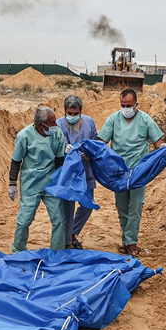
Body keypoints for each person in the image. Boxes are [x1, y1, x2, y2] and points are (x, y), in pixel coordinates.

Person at [99, 88, 164, 256]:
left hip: (138, 171)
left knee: (136, 206)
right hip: (119, 172)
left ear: (136, 104)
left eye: (129, 105)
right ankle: (126, 240)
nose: (126, 109)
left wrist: (164, 148)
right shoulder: (113, 119)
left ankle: (132, 242)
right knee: (122, 207)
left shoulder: (145, 120)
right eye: (123, 105)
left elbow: (158, 142)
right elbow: (101, 142)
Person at [9, 106, 67, 252]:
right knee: (24, 220)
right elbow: (16, 161)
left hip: (51, 181)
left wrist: (60, 183)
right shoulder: (24, 136)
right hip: (31, 182)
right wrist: (12, 183)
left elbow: (60, 160)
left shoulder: (57, 134)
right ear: (42, 125)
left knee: (59, 219)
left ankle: (57, 252)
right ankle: (18, 250)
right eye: (52, 122)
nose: (56, 125)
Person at [59, 95, 99, 249]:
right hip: (69, 173)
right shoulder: (59, 124)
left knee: (87, 204)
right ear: (65, 112)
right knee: (68, 207)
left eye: (76, 114)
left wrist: (88, 152)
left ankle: (73, 232)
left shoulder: (89, 122)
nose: (73, 117)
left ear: (81, 112)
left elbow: (95, 142)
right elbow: (55, 146)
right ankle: (67, 241)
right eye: (70, 113)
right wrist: (64, 149)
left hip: (86, 170)